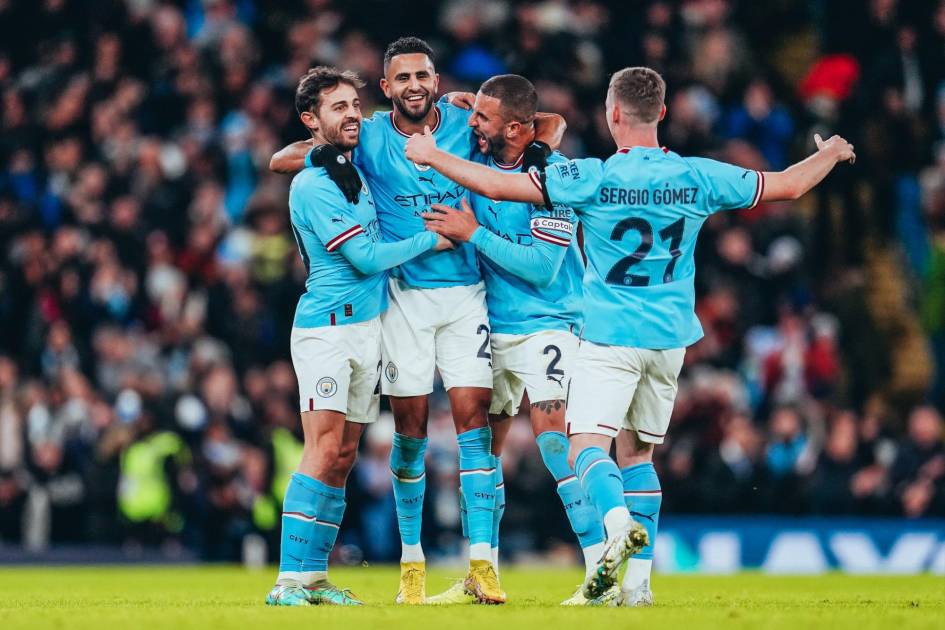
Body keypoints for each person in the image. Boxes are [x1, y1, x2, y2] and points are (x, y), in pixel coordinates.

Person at [405, 66, 855, 607]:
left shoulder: (590, 177)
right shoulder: (698, 174)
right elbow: (788, 185)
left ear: (612, 113)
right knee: (638, 455)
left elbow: (498, 184)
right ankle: (638, 587)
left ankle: (618, 526)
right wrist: (830, 152)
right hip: (670, 340)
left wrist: (432, 155)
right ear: (661, 112)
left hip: (611, 336)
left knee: (585, 447)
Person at [269, 37, 565, 605]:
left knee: (472, 426)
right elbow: (282, 159)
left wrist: (501, 126)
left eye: (422, 75)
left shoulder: (467, 124)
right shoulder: (367, 135)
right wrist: (322, 154)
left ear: (436, 80)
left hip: (466, 295)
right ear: (386, 88)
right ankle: (411, 564)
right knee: (407, 434)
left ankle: (482, 565)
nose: (413, 85)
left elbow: (550, 123)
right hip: (400, 300)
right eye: (402, 77)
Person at [420, 74, 608, 607]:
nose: (472, 124)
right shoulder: (479, 160)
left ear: (515, 128)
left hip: (548, 322)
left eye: (483, 117)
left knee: (552, 439)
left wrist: (473, 232)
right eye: (474, 114)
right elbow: (546, 121)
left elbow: (543, 268)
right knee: (481, 450)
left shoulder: (554, 178)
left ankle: (600, 567)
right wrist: (463, 103)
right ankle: (482, 572)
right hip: (490, 324)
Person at [266, 65, 450, 607]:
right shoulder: (313, 185)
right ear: (311, 120)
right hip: (328, 331)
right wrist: (432, 239)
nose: (351, 115)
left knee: (345, 454)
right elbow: (365, 258)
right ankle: (286, 581)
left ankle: (315, 577)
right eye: (338, 107)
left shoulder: (349, 169)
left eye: (354, 105)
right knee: (322, 449)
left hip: (365, 329)